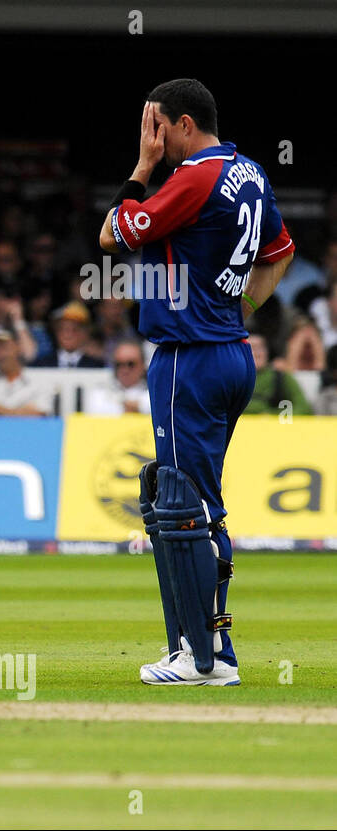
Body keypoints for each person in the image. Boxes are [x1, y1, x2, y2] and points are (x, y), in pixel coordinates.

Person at [100, 78, 294, 686]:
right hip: (231, 353)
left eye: (158, 127)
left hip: (189, 358)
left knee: (187, 506)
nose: (155, 140)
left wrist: (142, 165)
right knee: (192, 501)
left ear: (184, 124)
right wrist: (239, 312)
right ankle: (200, 647)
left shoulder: (196, 176)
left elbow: (111, 235)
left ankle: (206, 658)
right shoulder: (251, 174)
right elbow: (280, 253)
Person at [243, 333, 312, 416]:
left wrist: (274, 416)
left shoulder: (281, 376)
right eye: (252, 347)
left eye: (261, 348)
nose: (258, 353)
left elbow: (303, 408)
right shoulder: (232, 377)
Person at [82, 339, 151, 414]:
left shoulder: (153, 393)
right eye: (119, 364)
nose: (125, 369)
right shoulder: (100, 393)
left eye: (130, 364)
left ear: (143, 365)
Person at [32, 302, 105, 368]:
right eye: (62, 329)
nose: (67, 335)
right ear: (56, 332)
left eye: (74, 330)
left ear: (84, 333)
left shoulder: (96, 366)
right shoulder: (41, 364)